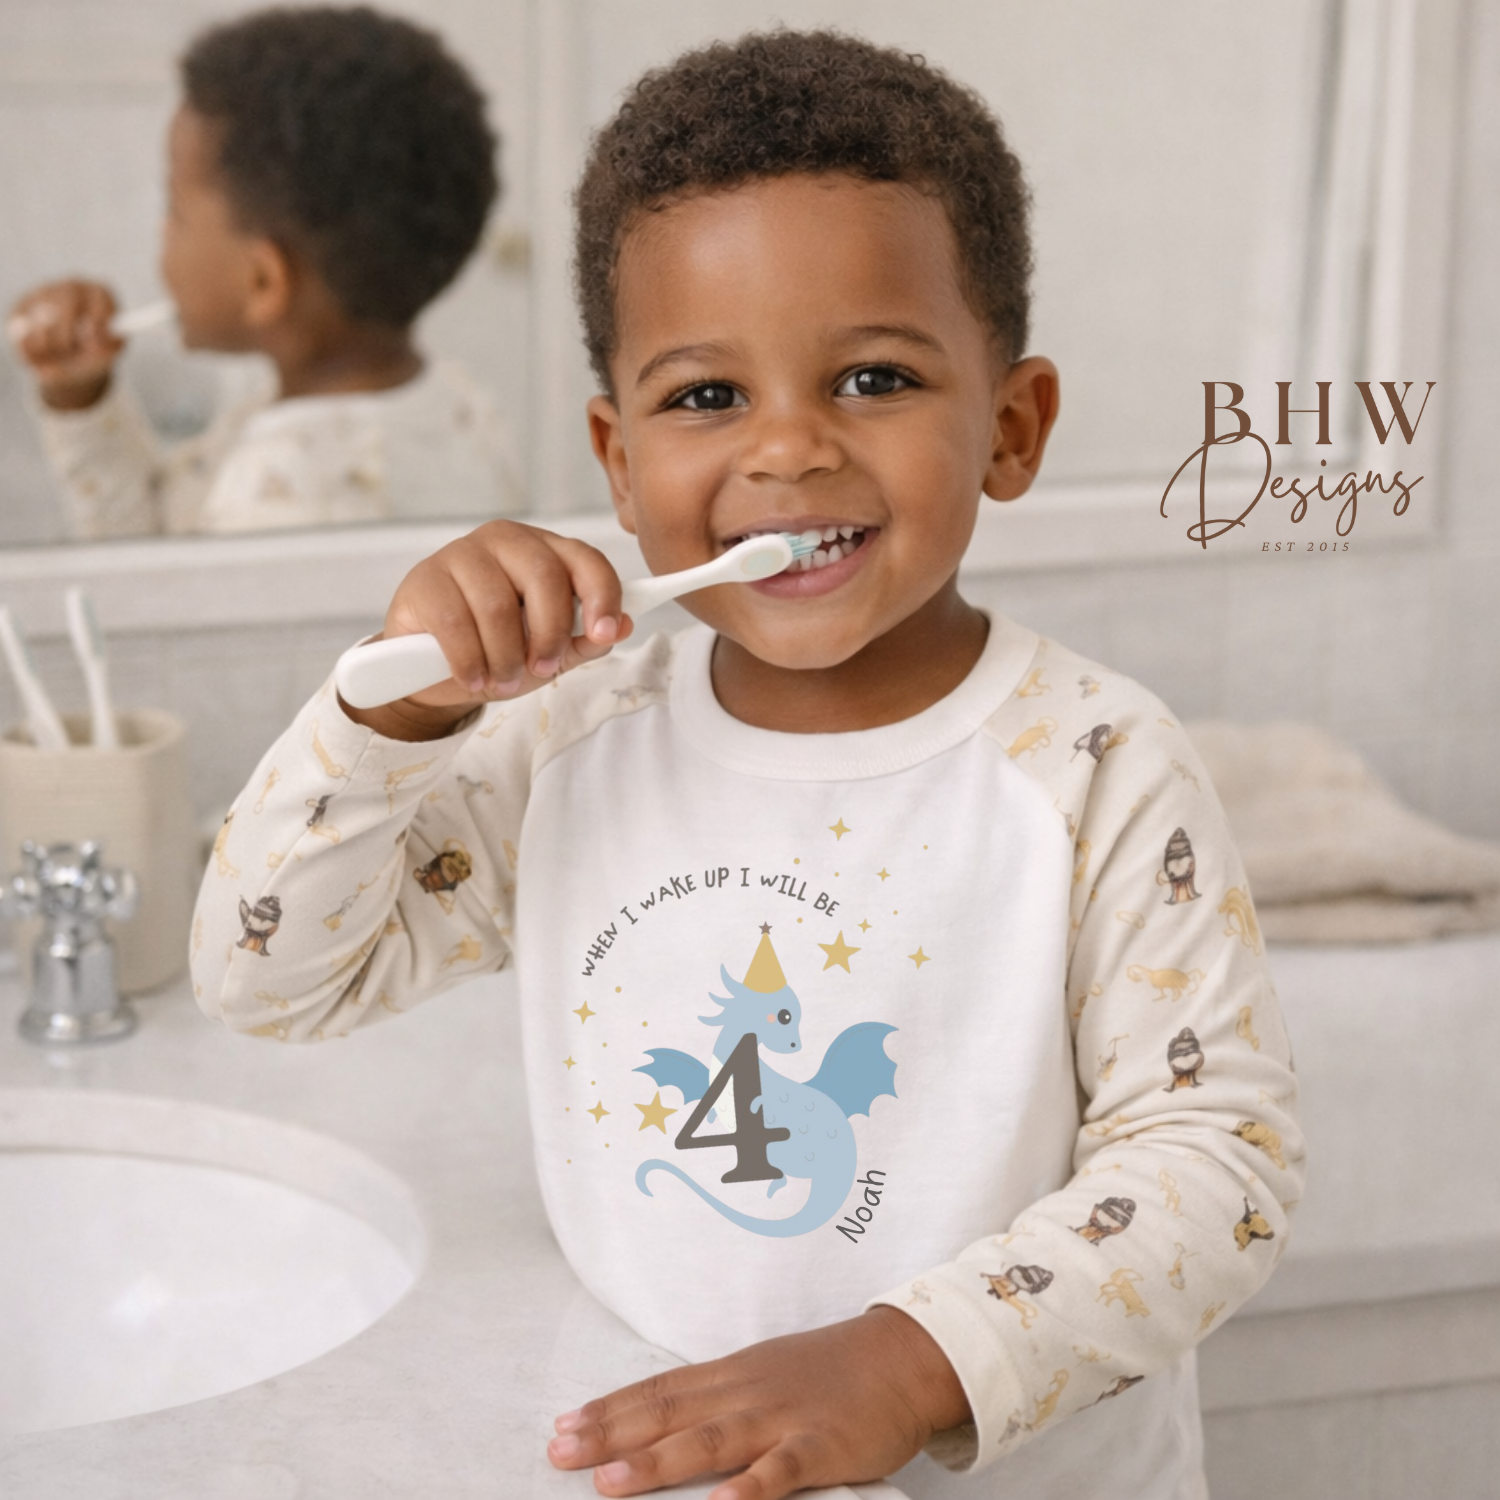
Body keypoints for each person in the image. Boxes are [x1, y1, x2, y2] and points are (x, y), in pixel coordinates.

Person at [191, 30, 1303, 1500]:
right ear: (618, 459)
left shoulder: (1093, 767)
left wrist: (905, 1364)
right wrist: (393, 720)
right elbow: (270, 980)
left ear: (1012, 428)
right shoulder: (570, 741)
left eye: (874, 376)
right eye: (706, 399)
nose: (786, 453)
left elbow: (1219, 1170)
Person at [8, 5, 522, 537]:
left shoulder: (273, 504)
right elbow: (157, 529)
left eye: (177, 214)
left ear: (262, 282)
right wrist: (83, 397)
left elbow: (143, 589)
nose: (162, 232)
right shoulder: (464, 405)